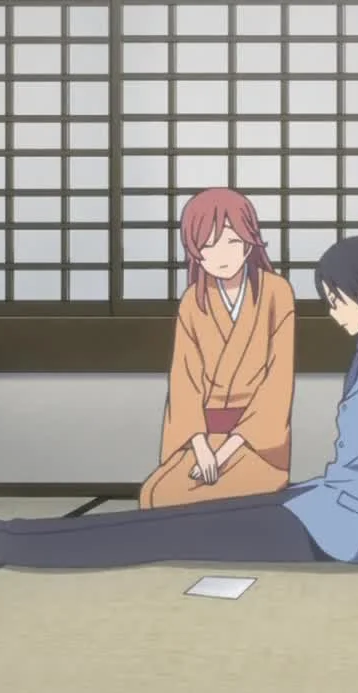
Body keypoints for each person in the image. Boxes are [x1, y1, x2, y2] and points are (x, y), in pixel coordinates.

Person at [0, 236, 358, 578]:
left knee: (169, 532)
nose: (330, 310)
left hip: (347, 531)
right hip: (322, 504)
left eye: (334, 299)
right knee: (177, 518)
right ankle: (2, 530)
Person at [137, 188, 296, 509]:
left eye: (231, 241)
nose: (221, 255)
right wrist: (201, 447)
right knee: (154, 494)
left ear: (249, 241)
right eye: (208, 245)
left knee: (188, 498)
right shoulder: (192, 302)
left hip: (255, 442)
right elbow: (184, 383)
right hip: (201, 438)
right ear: (195, 251)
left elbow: (277, 385)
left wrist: (223, 454)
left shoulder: (276, 293)